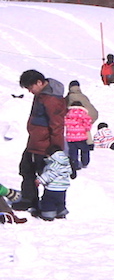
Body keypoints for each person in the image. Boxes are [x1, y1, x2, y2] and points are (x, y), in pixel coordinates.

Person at [16, 69, 67, 212]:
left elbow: (57, 126)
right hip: (34, 142)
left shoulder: (51, 99)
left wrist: (56, 150)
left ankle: (50, 206)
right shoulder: (41, 95)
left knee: (47, 175)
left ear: (39, 82)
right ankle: (29, 199)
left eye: (30, 87)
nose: (30, 91)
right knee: (26, 169)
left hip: (45, 146)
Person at [36, 147, 73, 221]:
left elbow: (50, 174)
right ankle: (60, 211)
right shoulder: (66, 163)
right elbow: (70, 171)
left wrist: (40, 180)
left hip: (52, 188)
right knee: (60, 201)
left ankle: (48, 214)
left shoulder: (54, 165)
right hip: (62, 188)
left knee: (48, 201)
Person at [64, 97, 94, 175]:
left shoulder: (68, 113)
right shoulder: (83, 113)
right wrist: (87, 128)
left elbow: (65, 122)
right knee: (85, 150)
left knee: (73, 152)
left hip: (70, 137)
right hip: (81, 137)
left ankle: (75, 164)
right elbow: (88, 122)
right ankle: (85, 162)